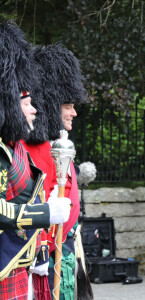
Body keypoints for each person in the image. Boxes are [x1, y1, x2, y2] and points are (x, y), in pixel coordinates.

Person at [0, 20, 71, 300]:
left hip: (18, 265)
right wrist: (45, 213)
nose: (34, 110)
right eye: (26, 103)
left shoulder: (13, 146)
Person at [31, 44, 91, 300]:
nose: (74, 112)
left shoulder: (57, 144)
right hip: (48, 252)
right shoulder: (36, 148)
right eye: (68, 105)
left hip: (68, 246)